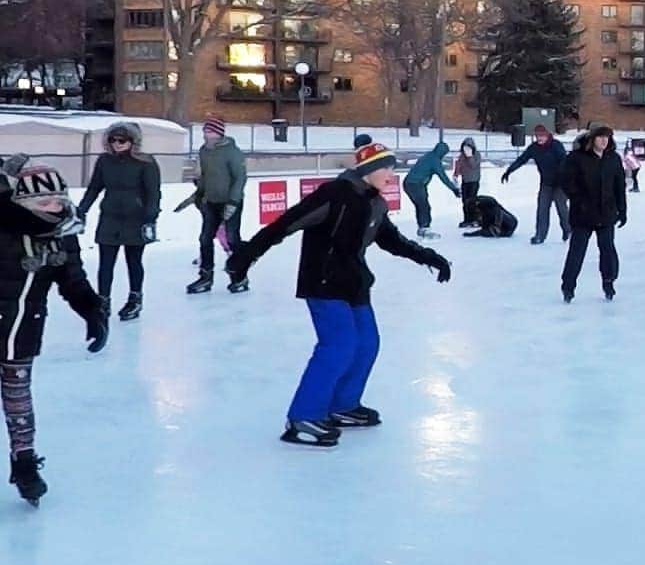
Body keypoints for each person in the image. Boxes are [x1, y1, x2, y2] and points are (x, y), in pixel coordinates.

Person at [225, 144, 451, 447]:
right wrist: (246, 256)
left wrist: (430, 257)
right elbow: (286, 223)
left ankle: (343, 405)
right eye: (385, 167)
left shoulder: (375, 203)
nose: (391, 174)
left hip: (354, 282)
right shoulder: (335, 194)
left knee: (367, 343)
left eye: (392, 167)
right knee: (339, 345)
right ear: (367, 170)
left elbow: (393, 241)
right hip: (323, 281)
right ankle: (303, 417)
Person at [1, 159, 109, 506]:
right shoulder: (5, 228)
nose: (56, 208)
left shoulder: (63, 232)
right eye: (45, 202)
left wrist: (92, 311)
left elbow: (72, 278)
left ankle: (25, 464)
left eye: (59, 200)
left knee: (19, 402)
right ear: (23, 203)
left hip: (23, 332)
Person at [75, 121, 160, 314]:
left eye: (122, 140)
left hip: (135, 218)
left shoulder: (146, 162)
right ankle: (103, 300)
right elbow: (95, 187)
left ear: (133, 141)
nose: (117, 143)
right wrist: (82, 209)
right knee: (105, 263)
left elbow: (153, 192)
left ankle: (135, 299)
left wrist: (150, 216)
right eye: (113, 140)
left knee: (134, 261)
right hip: (110, 217)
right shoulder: (105, 161)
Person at [559, 125, 626, 303]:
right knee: (577, 251)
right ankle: (568, 286)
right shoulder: (576, 158)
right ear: (591, 139)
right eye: (600, 137)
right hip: (583, 215)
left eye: (607, 137)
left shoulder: (613, 159)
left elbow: (620, 187)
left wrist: (623, 209)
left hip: (606, 214)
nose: (604, 141)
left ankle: (608, 282)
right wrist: (579, 201)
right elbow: (566, 182)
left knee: (607, 251)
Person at [184, 116, 248, 304]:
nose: (206, 134)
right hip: (211, 201)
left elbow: (240, 178)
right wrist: (199, 194)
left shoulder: (233, 153)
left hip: (230, 201)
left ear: (219, 133)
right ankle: (205, 276)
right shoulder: (204, 151)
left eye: (210, 131)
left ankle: (239, 275)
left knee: (232, 239)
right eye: (205, 131)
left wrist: (233, 202)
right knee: (205, 238)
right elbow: (204, 175)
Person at [502, 124, 571, 245]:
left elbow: (565, 161)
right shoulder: (534, 148)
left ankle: (568, 230)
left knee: (562, 209)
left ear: (547, 135)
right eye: (537, 136)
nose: (539, 138)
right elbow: (521, 159)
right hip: (546, 184)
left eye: (542, 136)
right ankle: (540, 235)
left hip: (560, 184)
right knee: (542, 210)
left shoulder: (556, 145)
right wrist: (509, 171)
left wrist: (564, 176)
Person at [402, 140, 458, 239]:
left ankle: (422, 228)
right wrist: (454, 189)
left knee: (421, 205)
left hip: (409, 183)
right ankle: (424, 228)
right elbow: (443, 177)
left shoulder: (428, 155)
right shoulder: (435, 160)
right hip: (415, 184)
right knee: (424, 206)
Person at [453, 138, 483, 229]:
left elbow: (473, 165)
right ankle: (467, 219)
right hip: (465, 181)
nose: (466, 150)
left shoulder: (477, 155)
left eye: (468, 148)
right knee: (465, 201)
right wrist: (456, 174)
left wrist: (470, 156)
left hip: (474, 181)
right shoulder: (462, 156)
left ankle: (475, 219)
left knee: (472, 201)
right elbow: (459, 165)